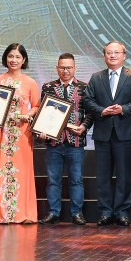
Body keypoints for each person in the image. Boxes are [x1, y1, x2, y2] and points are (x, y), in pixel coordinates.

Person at [84, 41, 131, 226]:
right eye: (109, 53)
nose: (112, 55)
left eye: (116, 52)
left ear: (124, 56)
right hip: (103, 132)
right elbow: (87, 100)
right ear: (104, 56)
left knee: (124, 175)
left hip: (125, 133)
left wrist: (123, 109)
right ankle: (105, 211)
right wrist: (101, 111)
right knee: (103, 175)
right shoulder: (96, 77)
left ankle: (122, 211)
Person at [0, 43, 39, 223]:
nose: (13, 60)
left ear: (24, 60)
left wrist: (28, 114)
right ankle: (0, 214)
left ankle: (24, 213)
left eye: (17, 57)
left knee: (22, 171)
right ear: (5, 58)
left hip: (21, 132)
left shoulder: (30, 82)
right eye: (10, 56)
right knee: (0, 168)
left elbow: (36, 106)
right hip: (1, 131)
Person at [38, 53, 90, 225]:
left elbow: (90, 113)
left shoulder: (84, 87)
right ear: (57, 68)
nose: (65, 71)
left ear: (75, 68)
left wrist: (84, 126)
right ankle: (54, 212)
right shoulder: (48, 87)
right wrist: (42, 130)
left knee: (76, 179)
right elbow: (43, 113)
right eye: (62, 67)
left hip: (76, 141)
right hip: (53, 142)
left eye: (69, 68)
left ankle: (77, 213)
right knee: (53, 180)